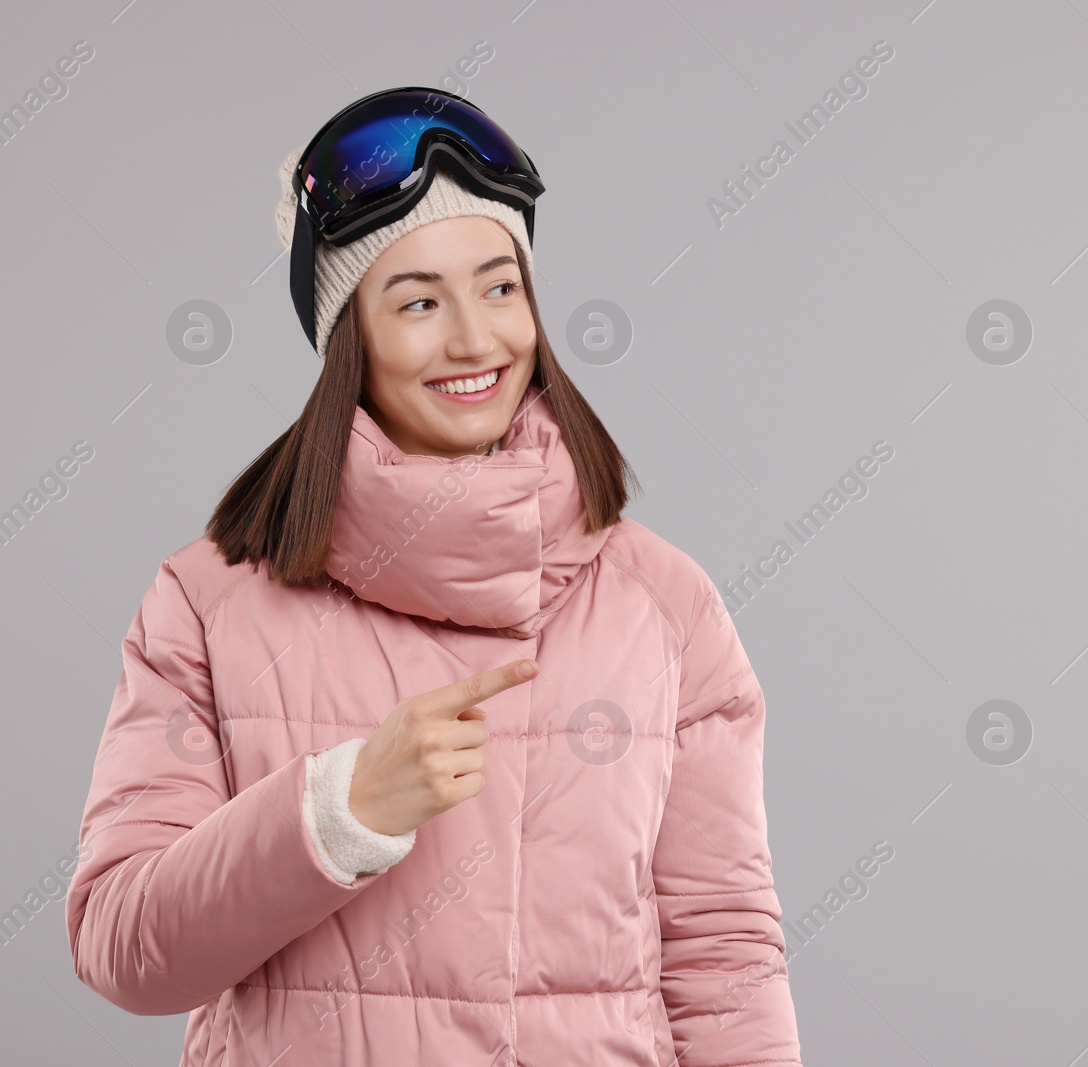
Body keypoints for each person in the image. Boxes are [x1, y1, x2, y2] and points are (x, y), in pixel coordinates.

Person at [64, 87, 804, 1066]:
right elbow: (126, 949)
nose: (474, 338)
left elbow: (725, 958)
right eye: (416, 300)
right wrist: (337, 810)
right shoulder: (207, 603)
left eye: (501, 287)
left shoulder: (664, 603)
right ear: (347, 337)